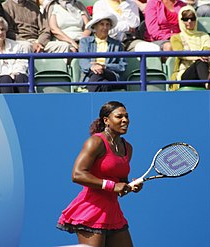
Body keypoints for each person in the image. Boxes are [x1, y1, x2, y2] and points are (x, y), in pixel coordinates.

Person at [57, 101, 142, 247]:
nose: (125, 120)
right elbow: (77, 174)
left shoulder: (127, 147)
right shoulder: (95, 142)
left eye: (127, 116)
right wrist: (111, 185)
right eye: (119, 116)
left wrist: (130, 186)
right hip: (91, 211)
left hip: (113, 213)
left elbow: (119, 186)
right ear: (106, 120)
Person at [170, 5, 210, 90]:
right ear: (181, 21)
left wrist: (204, 56)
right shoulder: (176, 38)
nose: (189, 21)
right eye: (185, 19)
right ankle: (208, 84)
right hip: (185, 74)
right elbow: (180, 54)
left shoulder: (204, 36)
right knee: (200, 61)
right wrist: (198, 57)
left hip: (204, 71)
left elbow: (207, 51)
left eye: (192, 18)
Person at [79, 12, 126, 92]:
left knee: (98, 74)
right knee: (104, 84)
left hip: (110, 74)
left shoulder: (117, 44)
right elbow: (83, 61)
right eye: (102, 24)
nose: (105, 27)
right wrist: (93, 67)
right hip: (91, 74)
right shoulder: (85, 42)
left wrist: (105, 67)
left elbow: (122, 66)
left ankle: (91, 102)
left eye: (107, 24)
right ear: (95, 26)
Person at [2, 0, 70, 53]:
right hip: (20, 42)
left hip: (38, 41)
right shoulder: (5, 6)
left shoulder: (33, 6)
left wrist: (39, 43)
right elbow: (9, 32)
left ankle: (58, 71)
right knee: (27, 47)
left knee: (64, 46)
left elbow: (45, 29)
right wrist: (31, 44)